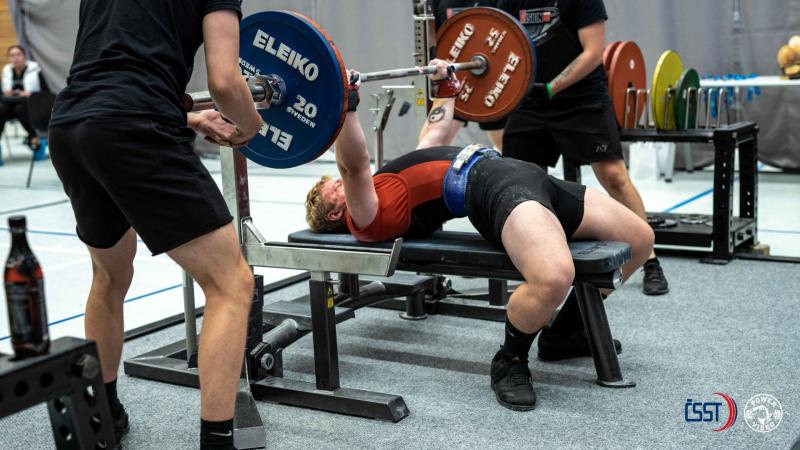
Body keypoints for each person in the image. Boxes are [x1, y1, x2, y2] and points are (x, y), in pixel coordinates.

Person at [305, 60, 654, 411]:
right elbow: (353, 166)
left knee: (639, 240)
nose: (334, 181)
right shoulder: (367, 218)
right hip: (492, 189)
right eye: (330, 188)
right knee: (553, 278)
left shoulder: (389, 184)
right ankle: (509, 359)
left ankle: (565, 334)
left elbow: (434, 137)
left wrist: (446, 87)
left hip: (520, 173)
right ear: (336, 213)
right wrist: (347, 103)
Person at [48, 1, 262, 448]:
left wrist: (187, 117)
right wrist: (251, 123)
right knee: (231, 284)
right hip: (134, 126)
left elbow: (112, 66)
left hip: (71, 125)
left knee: (109, 276)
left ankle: (101, 418)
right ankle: (218, 441)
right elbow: (226, 82)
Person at [495, 0, 669, 295]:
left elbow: (593, 52)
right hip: (531, 100)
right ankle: (534, 260)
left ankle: (649, 259)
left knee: (614, 176)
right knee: (519, 182)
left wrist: (550, 88)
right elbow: (501, 43)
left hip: (582, 97)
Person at [429, 0, 507, 151]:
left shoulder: (498, 2)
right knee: (435, 144)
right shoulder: (440, 3)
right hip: (454, 79)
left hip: (491, 80)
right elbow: (434, 40)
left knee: (505, 146)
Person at [0, 45, 44, 150]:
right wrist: (5, 93)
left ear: (24, 56)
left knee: (19, 108)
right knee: (1, 108)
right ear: (9, 58)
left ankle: (34, 137)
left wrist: (30, 94)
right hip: (9, 104)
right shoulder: (6, 71)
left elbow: (44, 91)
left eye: (18, 54)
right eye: (12, 55)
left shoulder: (35, 70)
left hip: (29, 105)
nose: (15, 58)